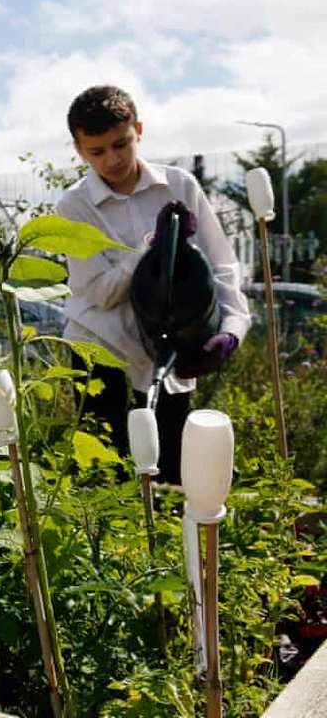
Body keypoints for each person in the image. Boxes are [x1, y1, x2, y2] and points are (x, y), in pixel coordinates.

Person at [56, 85, 251, 483]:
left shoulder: (178, 187)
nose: (112, 159)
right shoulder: (73, 207)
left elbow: (222, 265)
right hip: (100, 349)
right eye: (97, 151)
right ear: (78, 149)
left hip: (168, 349)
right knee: (104, 472)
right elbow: (102, 293)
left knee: (173, 470)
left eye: (121, 144)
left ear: (138, 130)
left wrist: (231, 332)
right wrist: (153, 250)